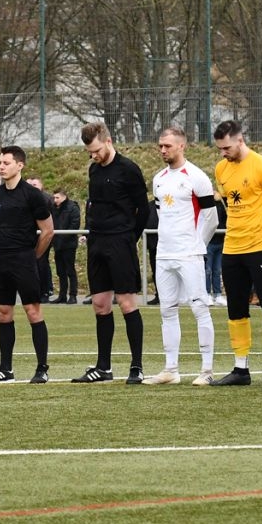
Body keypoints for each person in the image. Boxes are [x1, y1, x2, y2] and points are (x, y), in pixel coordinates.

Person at [209, 119, 262, 386]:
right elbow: (230, 202)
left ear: (240, 140)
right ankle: (240, 369)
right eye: (220, 149)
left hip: (261, 246)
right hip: (232, 247)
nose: (224, 153)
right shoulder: (221, 168)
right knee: (236, 308)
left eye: (227, 147)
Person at [76, 122, 150, 383]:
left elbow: (144, 209)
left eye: (96, 150)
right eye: (90, 152)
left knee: (127, 303)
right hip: (97, 241)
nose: (93, 156)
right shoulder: (94, 169)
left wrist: (130, 237)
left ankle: (136, 366)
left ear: (108, 141)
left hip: (121, 242)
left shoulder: (128, 169)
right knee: (100, 304)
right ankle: (103, 367)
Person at [145, 126, 218, 385]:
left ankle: (206, 371)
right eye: (160, 146)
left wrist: (197, 244)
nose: (163, 150)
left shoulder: (196, 177)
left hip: (189, 254)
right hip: (164, 254)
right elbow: (161, 213)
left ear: (181, 146)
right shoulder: (159, 179)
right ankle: (171, 369)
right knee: (167, 310)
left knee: (199, 308)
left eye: (167, 146)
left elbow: (211, 217)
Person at [0, 146, 53, 383]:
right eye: (0, 163)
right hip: (0, 261)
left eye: (6, 163)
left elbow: (48, 231)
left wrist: (33, 256)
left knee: (32, 311)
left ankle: (42, 368)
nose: (1, 167)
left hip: (23, 260)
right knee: (3, 313)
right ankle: (6, 369)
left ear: (20, 165)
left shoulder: (32, 195)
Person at [50, 190, 80, 303]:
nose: (55, 200)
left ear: (64, 197)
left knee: (70, 270)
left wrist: (63, 237)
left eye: (57, 197)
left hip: (69, 244)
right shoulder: (53, 208)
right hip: (57, 243)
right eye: (54, 198)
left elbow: (75, 224)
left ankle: (73, 295)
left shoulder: (73, 207)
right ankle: (62, 295)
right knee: (60, 271)